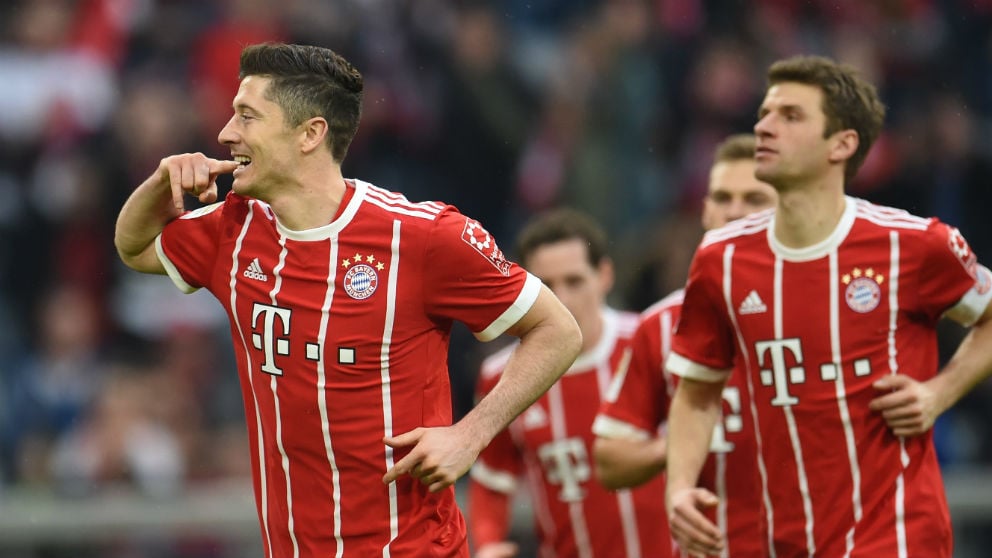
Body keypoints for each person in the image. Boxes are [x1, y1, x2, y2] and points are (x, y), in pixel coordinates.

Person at [113, 42, 582, 558]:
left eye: (247, 116)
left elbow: (558, 330)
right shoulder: (235, 229)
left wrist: (470, 435)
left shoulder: (422, 237)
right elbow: (133, 246)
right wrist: (161, 183)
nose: (226, 134)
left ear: (310, 134)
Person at [664, 54, 992, 558]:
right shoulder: (720, 260)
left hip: (899, 535)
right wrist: (679, 486)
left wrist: (938, 394)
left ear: (842, 144)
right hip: (789, 539)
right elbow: (698, 391)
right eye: (765, 113)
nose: (764, 127)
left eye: (791, 116)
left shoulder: (915, 244)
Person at [591, 134, 777, 557]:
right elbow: (609, 461)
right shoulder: (660, 326)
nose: (734, 210)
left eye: (754, 198)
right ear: (706, 211)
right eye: (722, 197)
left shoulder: (823, 307)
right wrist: (680, 441)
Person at [467, 208, 670, 558]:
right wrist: (487, 544)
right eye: (546, 285)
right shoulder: (501, 377)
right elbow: (491, 481)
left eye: (574, 281)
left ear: (604, 275)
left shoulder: (651, 342)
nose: (561, 297)